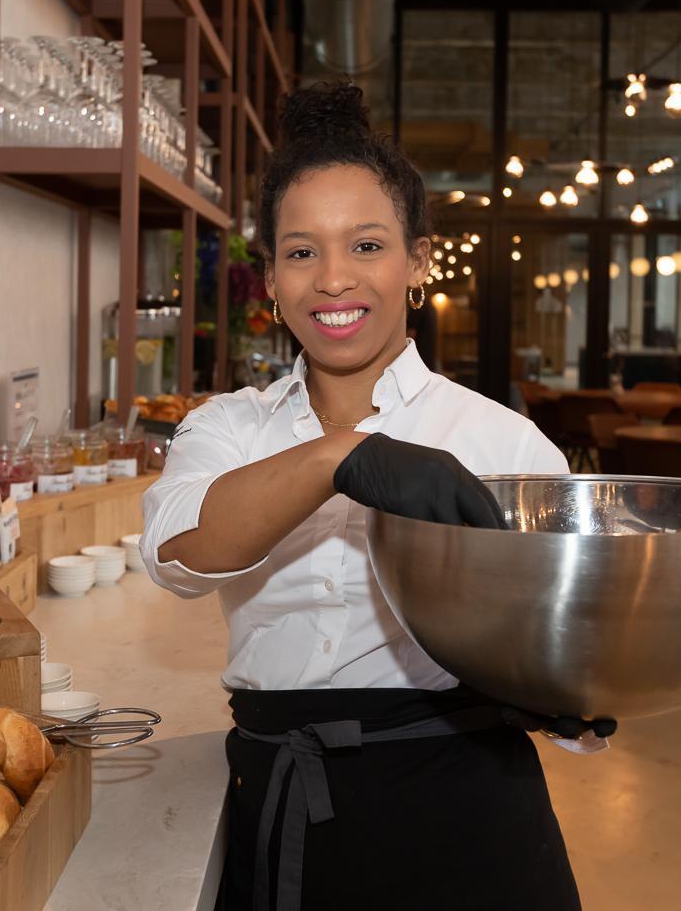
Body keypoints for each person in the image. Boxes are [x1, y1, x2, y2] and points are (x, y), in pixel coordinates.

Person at [140, 82, 612, 911]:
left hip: (464, 811)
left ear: (418, 261)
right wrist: (343, 457)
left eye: (365, 246)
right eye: (300, 252)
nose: (332, 280)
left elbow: (575, 623)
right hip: (283, 799)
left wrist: (576, 681)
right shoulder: (228, 428)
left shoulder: (503, 442)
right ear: (271, 276)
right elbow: (181, 554)